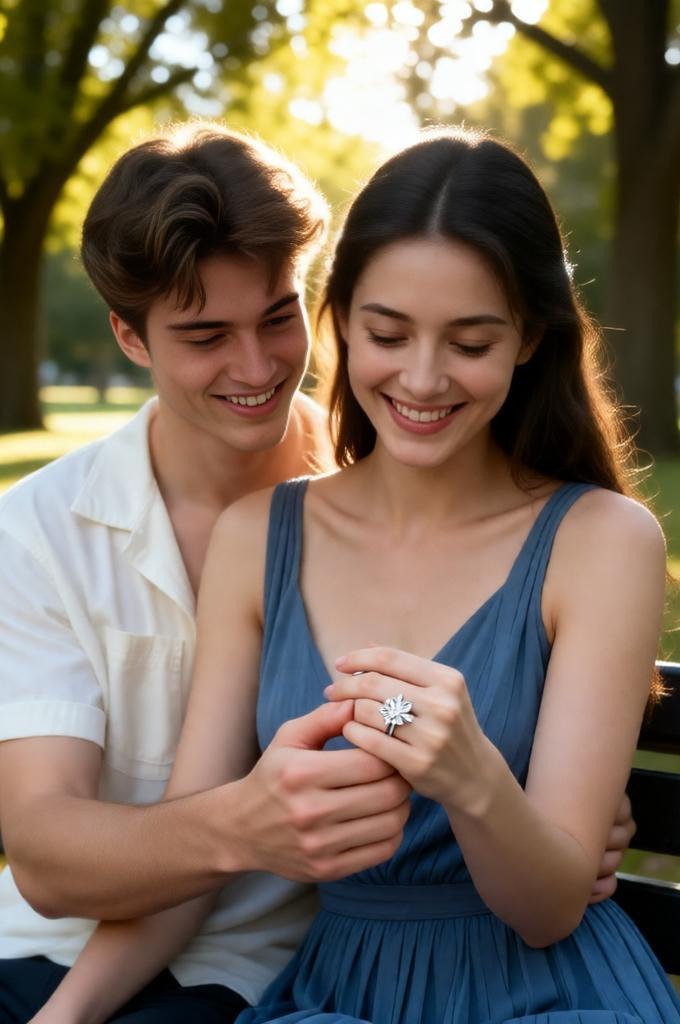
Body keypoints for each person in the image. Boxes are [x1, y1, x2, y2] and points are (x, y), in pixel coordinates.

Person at [30, 126, 677, 1024]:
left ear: (529, 338)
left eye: (471, 342)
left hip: (545, 994)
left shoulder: (602, 541)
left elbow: (550, 908)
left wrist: (476, 782)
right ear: (340, 321)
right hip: (337, 994)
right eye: (387, 332)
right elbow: (197, 865)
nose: (422, 378)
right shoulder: (260, 535)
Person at [0, 122, 416, 1024]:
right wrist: (243, 825)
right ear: (129, 335)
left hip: (253, 977)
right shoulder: (39, 529)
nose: (257, 367)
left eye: (278, 315)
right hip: (42, 957)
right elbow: (44, 858)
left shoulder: (385, 491)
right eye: (205, 336)